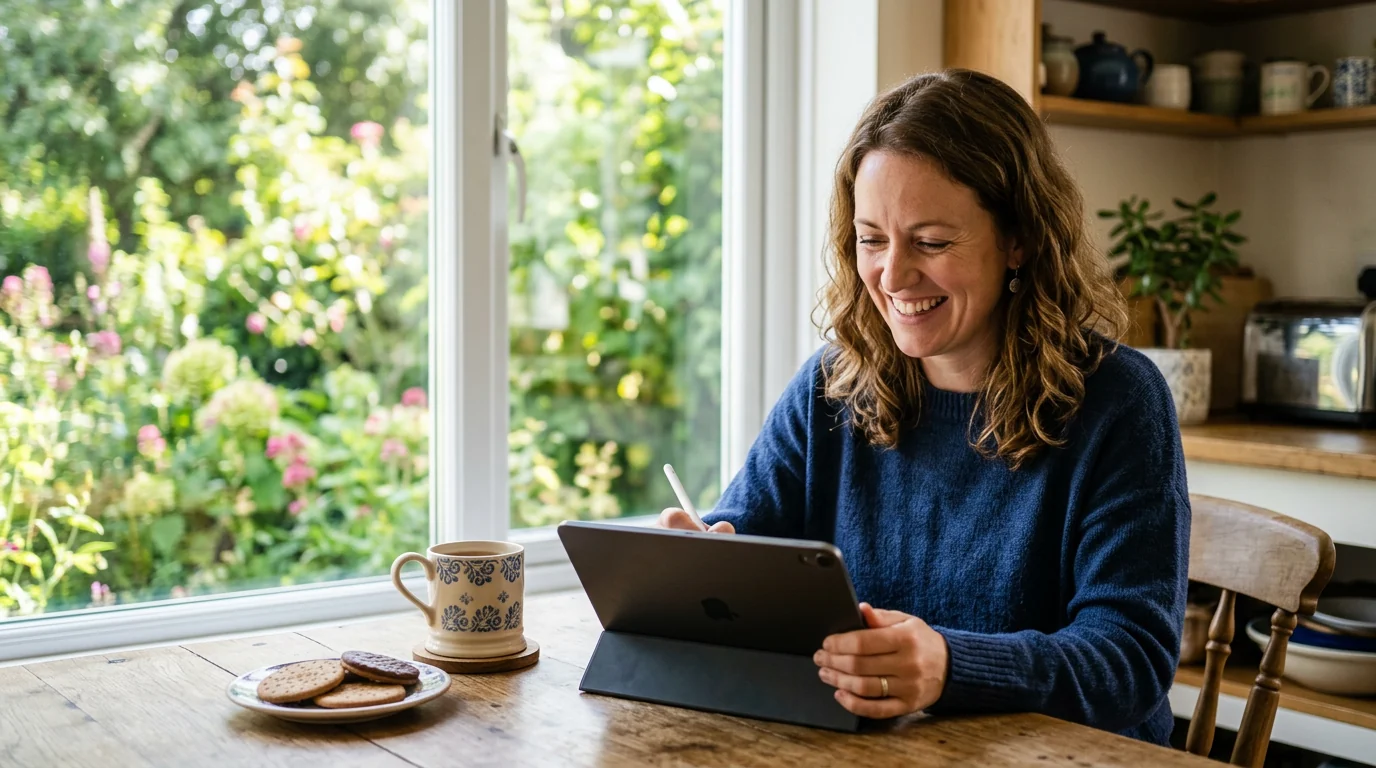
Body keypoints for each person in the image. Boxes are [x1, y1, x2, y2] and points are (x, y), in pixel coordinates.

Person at [658, 69, 1189, 745]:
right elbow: (745, 540)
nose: (892, 275)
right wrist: (703, 571)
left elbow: (1131, 661)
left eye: (932, 242)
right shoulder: (832, 386)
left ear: (1019, 239)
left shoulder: (1119, 401)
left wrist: (951, 666)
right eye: (872, 239)